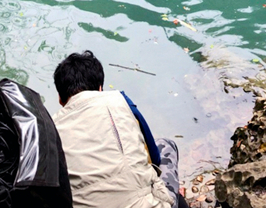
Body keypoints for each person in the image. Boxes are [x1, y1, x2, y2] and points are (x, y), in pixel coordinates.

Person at [53, 50, 188, 208]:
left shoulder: (50, 129)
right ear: (100, 88)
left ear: (60, 99)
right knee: (165, 145)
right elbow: (155, 158)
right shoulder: (120, 101)